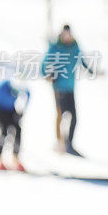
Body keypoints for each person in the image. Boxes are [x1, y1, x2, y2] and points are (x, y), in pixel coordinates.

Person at [40, 24, 96, 157]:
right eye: (64, 34)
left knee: (74, 116)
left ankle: (69, 143)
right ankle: (59, 142)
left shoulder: (74, 47)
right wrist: (46, 74)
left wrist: (91, 71)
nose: (67, 36)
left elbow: (82, 60)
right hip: (59, 86)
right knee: (61, 114)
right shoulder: (55, 47)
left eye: (69, 34)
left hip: (71, 86)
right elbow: (44, 64)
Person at [0, 78, 30, 171]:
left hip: (11, 110)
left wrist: (22, 111)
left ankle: (16, 158)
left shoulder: (22, 89)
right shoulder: (0, 89)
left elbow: (28, 95)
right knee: (3, 132)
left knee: (18, 130)